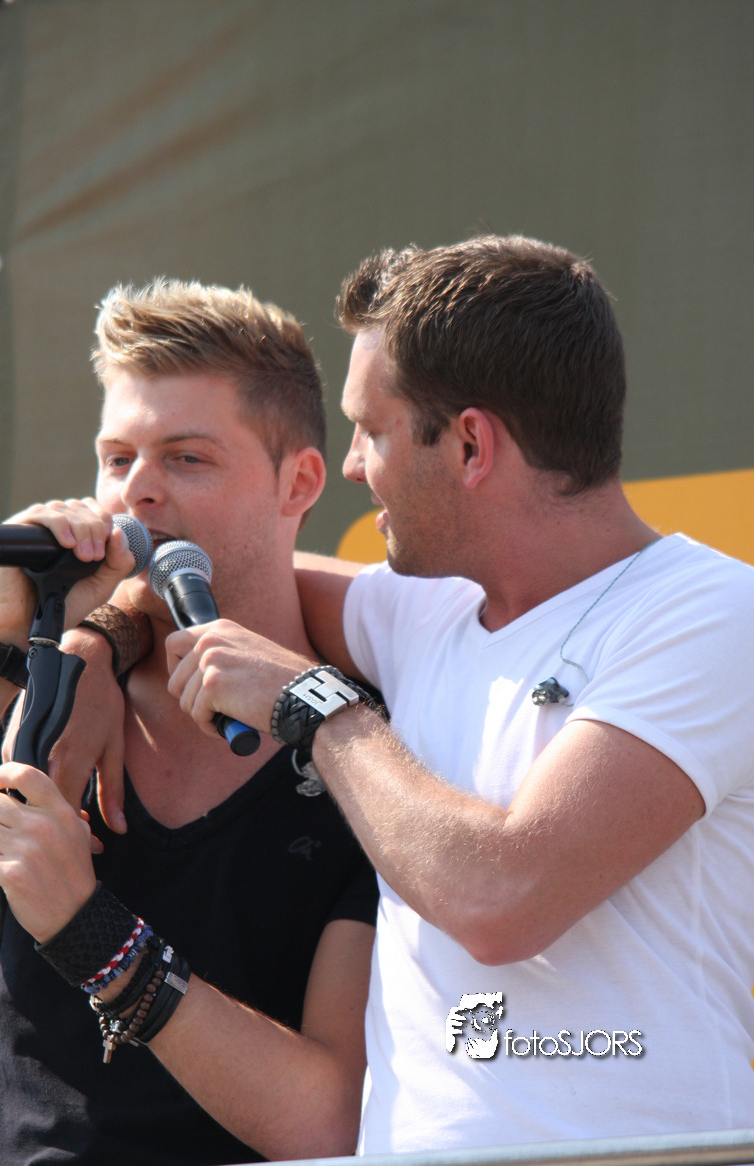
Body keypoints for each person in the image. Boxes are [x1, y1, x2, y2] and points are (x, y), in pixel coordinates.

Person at [94, 236, 752, 1152]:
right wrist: (100, 642)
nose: (352, 467)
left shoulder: (712, 615)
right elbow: (233, 574)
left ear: (471, 445)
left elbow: (501, 898)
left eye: (372, 430)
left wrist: (318, 708)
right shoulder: (426, 610)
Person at [0, 278, 377, 1165]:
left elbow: (328, 1122)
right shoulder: (39, 677)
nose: (137, 494)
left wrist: (88, 928)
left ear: (299, 481)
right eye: (116, 458)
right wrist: (8, 633)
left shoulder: (366, 746)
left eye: (187, 459)